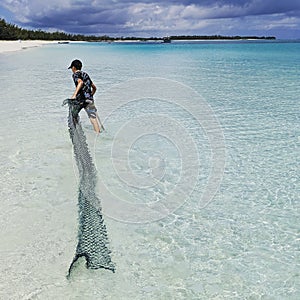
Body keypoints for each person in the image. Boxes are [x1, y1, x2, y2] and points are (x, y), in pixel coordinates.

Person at [68, 59, 103, 133]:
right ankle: (98, 133)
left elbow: (80, 82)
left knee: (73, 114)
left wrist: (74, 95)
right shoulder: (85, 74)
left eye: (71, 68)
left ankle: (76, 130)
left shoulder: (75, 74)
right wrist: (90, 97)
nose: (72, 70)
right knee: (93, 118)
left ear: (73, 67)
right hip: (89, 99)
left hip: (81, 99)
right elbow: (94, 87)